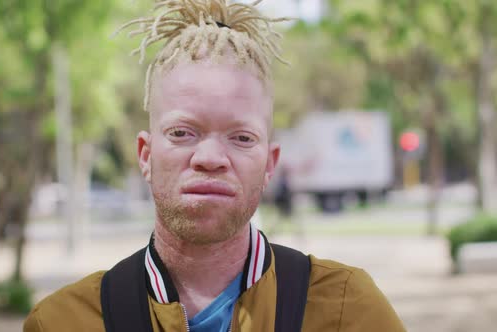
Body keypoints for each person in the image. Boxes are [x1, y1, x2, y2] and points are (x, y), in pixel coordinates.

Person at [24, 1, 406, 331]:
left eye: (241, 138)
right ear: (145, 154)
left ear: (270, 163)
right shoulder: (62, 322)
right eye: (182, 132)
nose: (209, 158)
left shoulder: (347, 309)